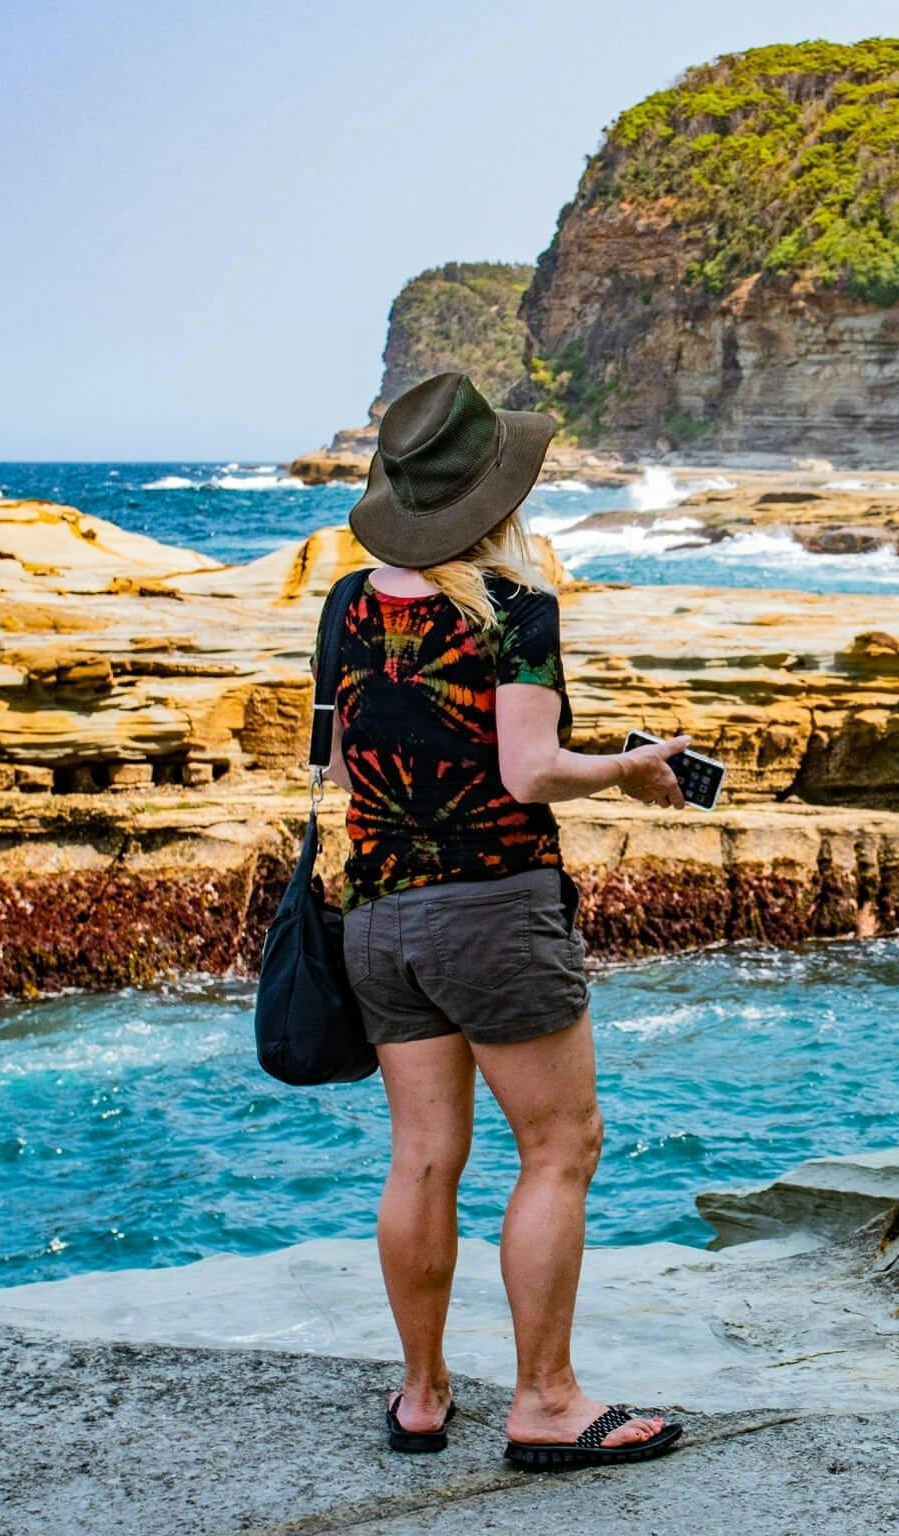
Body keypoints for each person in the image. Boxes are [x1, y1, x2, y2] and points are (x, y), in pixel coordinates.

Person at [324, 371, 689, 1470]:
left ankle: (424, 1395)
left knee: (423, 1156)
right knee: (559, 1145)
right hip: (491, 908)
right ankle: (545, 1401)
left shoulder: (347, 602)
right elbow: (528, 773)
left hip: (377, 914)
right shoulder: (517, 611)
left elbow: (347, 758)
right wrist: (630, 768)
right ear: (494, 495)